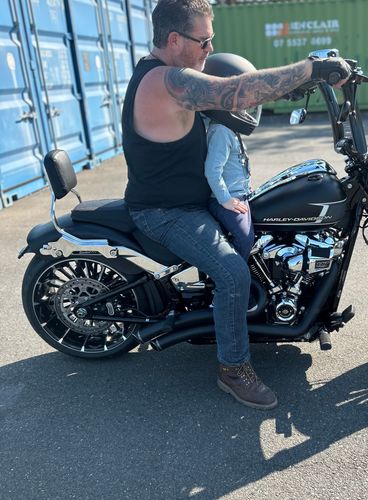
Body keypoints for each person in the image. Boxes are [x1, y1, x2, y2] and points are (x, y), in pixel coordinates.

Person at [122, 0, 351, 410]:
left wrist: (295, 87)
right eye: (204, 41)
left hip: (198, 199)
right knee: (232, 274)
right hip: (167, 212)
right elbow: (232, 92)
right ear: (174, 39)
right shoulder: (164, 81)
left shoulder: (173, 74)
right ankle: (233, 369)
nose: (210, 49)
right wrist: (311, 69)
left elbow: (235, 95)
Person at [203, 54, 259, 263]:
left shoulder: (229, 128)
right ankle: (233, 276)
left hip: (240, 194)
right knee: (245, 238)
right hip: (225, 199)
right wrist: (225, 200)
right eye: (241, 99)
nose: (246, 105)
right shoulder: (221, 131)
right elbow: (212, 170)